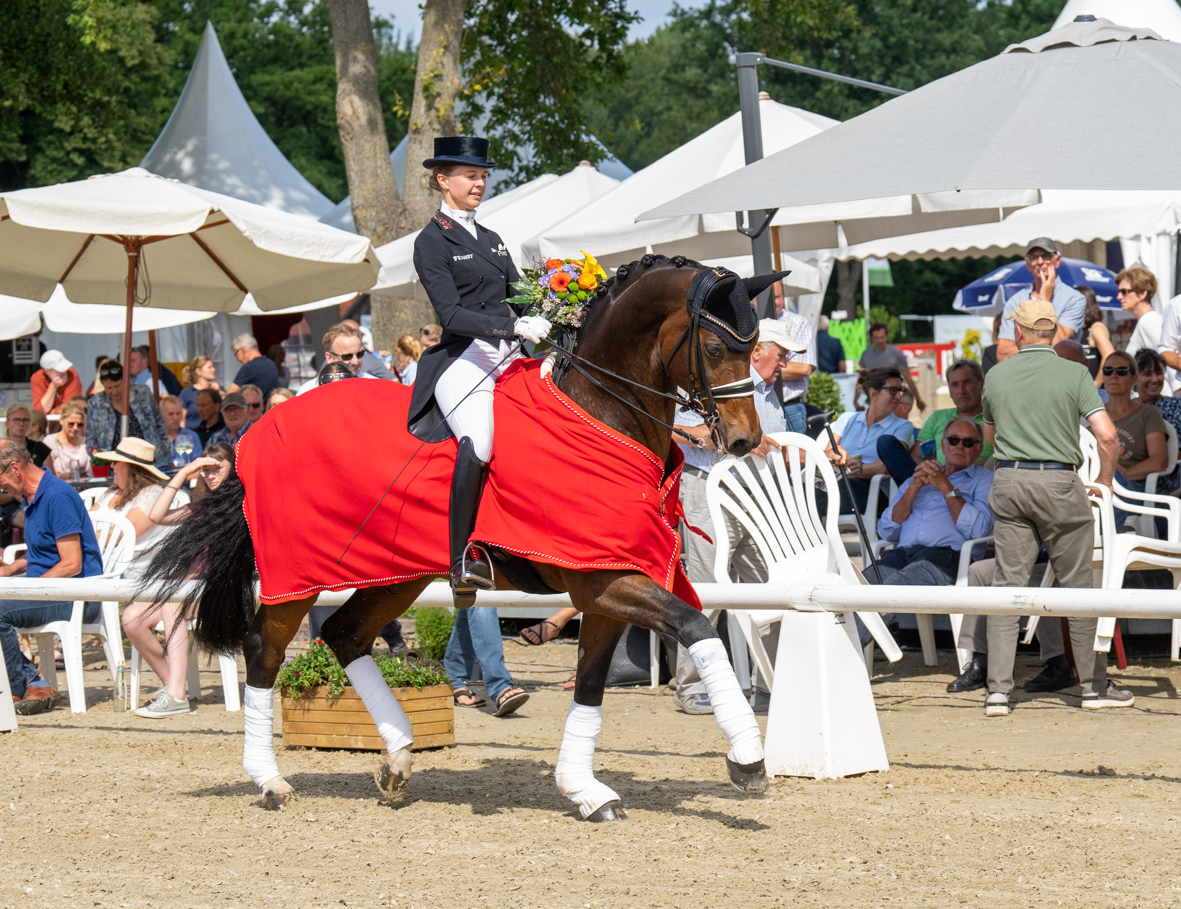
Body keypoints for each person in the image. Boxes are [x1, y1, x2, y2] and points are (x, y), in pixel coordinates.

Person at [408, 135, 550, 609]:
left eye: (483, 175)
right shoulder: (431, 242)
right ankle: (461, 559)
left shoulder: (490, 239)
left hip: (508, 352)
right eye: (470, 175)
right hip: (464, 357)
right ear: (442, 180)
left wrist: (559, 303)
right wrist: (513, 324)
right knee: (482, 441)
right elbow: (449, 315)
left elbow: (521, 295)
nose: (479, 182)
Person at [981, 297, 1130, 716]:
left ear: (1019, 332)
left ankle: (997, 692)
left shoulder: (996, 373)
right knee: (1078, 589)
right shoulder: (1074, 372)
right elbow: (1107, 435)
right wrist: (1103, 480)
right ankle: (1092, 688)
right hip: (1061, 482)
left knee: (1007, 588)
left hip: (1010, 480)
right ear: (1054, 332)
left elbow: (990, 441)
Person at [670, 319, 803, 714]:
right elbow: (664, 425)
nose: (786, 364)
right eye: (782, 354)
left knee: (769, 586)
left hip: (757, 495)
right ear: (757, 349)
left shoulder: (768, 392)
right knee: (705, 589)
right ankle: (692, 685)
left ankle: (771, 684)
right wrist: (704, 436)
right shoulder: (703, 377)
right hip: (708, 486)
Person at [0, 439, 103, 714]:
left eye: (0, 481)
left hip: (78, 596)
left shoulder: (56, 496)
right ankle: (26, 682)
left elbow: (71, 564)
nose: (1, 489)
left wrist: (26, 589)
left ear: (14, 468)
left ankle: (28, 683)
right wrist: (11, 569)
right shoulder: (32, 496)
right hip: (54, 591)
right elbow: (45, 553)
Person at [872, 418, 994, 586]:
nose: (959, 446)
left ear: (979, 449)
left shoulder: (985, 478)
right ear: (943, 446)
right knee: (863, 586)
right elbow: (886, 530)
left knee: (897, 589)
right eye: (953, 440)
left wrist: (945, 485)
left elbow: (979, 529)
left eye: (968, 442)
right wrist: (913, 488)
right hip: (902, 554)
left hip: (945, 557)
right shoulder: (917, 478)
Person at [948, 557, 1067, 694]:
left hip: (1053, 561)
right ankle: (981, 663)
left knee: (1034, 577)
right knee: (979, 570)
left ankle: (1057, 662)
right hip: (1023, 559)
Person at [878, 359, 992, 486]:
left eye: (967, 382)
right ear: (949, 390)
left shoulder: (995, 418)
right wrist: (933, 472)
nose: (961, 390)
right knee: (885, 443)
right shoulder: (937, 417)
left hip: (973, 483)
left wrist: (954, 473)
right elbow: (916, 456)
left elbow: (998, 460)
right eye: (954, 385)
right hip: (930, 482)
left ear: (981, 384)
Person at [824, 367, 915, 514]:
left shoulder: (902, 426)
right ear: (873, 393)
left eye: (900, 391)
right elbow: (827, 453)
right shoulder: (847, 419)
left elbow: (885, 466)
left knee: (827, 487)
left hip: (875, 493)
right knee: (807, 484)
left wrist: (848, 470)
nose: (898, 396)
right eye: (893, 390)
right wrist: (834, 456)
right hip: (840, 484)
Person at [1102, 351, 1168, 529]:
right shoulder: (1095, 415)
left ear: (1133, 378)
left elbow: (1160, 461)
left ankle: (1101, 546)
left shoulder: (1147, 414)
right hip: (1099, 485)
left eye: (1121, 371)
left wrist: (1120, 475)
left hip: (1133, 488)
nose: (1114, 376)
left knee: (1115, 486)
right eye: (1108, 371)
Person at [995, 239, 1086, 362]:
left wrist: (1045, 301)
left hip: (1059, 376)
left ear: (1057, 260)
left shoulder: (1074, 299)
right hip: (1025, 376)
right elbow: (1002, 354)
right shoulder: (1015, 301)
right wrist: (1043, 346)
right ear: (1027, 263)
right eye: (1034, 257)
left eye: (1046, 256)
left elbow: (1060, 345)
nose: (1040, 262)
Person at [84, 359, 169, 470]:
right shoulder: (95, 402)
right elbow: (90, 437)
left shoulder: (143, 393)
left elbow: (160, 425)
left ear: (126, 380)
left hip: (149, 460)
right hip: (113, 465)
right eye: (109, 388)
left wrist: (168, 456)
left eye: (118, 386)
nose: (114, 391)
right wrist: (98, 458)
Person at [1133, 349, 1181, 493]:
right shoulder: (1127, 407)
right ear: (1134, 378)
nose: (1155, 379)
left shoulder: (1174, 406)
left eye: (1159, 373)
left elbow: (1176, 452)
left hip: (1159, 480)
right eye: (1147, 374)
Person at [774, 292, 816, 434]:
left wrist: (758, 369)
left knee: (793, 456)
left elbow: (804, 368)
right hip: (753, 407)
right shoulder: (743, 321)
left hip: (789, 406)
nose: (781, 362)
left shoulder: (798, 323)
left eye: (777, 296)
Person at [296, 324, 380, 395]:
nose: (355, 361)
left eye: (359, 354)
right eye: (347, 356)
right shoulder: (307, 391)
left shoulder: (375, 386)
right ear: (329, 358)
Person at [860, 322, 926, 412]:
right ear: (871, 338)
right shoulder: (866, 354)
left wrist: (918, 399)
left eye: (882, 337)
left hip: (892, 398)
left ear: (887, 336)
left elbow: (908, 378)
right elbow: (861, 379)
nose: (879, 341)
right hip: (872, 398)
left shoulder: (896, 354)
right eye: (876, 338)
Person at [43, 400, 92, 481]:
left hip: (84, 488)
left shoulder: (86, 442)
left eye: (80, 424)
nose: (75, 428)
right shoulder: (50, 442)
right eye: (71, 424)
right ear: (61, 420)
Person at [1120, 266, 1161, 357]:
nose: (1119, 297)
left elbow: (1167, 362)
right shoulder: (1146, 321)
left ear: (1142, 294)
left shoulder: (1148, 322)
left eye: (1124, 292)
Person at [1076, 286, 1114, 382]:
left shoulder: (1096, 328)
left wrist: (1097, 383)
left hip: (1094, 391)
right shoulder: (1077, 330)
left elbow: (1109, 356)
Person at [30, 350, 82, 415]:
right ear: (46, 371)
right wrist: (54, 386)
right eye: (59, 370)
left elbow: (70, 406)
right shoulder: (37, 378)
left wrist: (53, 412)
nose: (63, 372)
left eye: (65, 368)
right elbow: (39, 411)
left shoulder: (72, 375)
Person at [159, 394, 201, 471]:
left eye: (178, 413)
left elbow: (198, 466)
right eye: (171, 414)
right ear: (162, 415)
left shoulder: (191, 436)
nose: (175, 418)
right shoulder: (156, 437)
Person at [179, 356, 222, 429]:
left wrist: (219, 392)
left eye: (213, 367)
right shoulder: (186, 393)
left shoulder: (218, 389)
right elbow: (181, 420)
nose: (213, 369)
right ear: (198, 371)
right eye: (209, 367)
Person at [5, 403, 50, 468]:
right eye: (16, 419)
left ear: (29, 423)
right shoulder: (1, 448)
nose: (21, 424)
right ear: (7, 423)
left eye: (25, 420)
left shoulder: (40, 448)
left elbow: (50, 476)